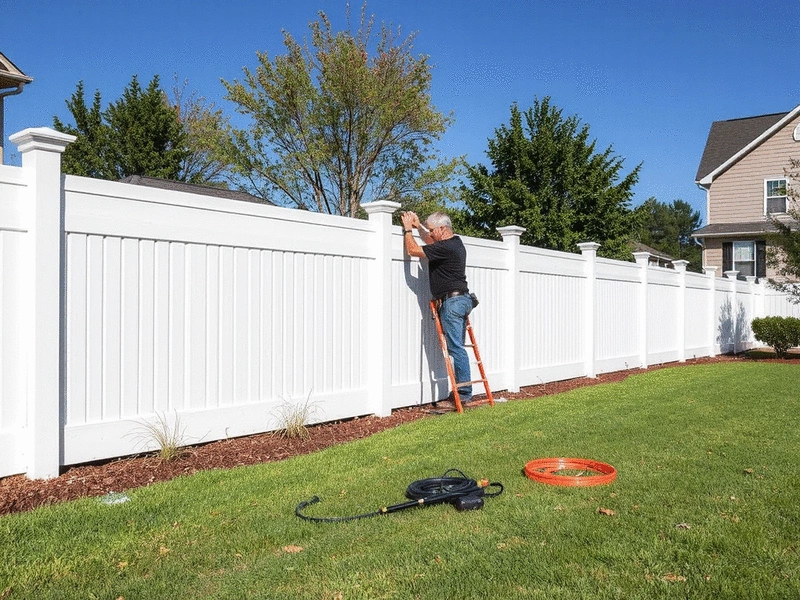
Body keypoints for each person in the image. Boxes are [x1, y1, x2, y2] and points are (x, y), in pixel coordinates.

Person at [400, 210, 474, 406]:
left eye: (432, 230)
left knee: (456, 349)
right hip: (461, 300)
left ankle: (463, 395)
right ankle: (464, 392)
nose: (430, 234)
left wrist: (408, 230)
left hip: (452, 303)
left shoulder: (446, 248)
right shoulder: (454, 243)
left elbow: (413, 251)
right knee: (457, 348)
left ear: (442, 229)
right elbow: (431, 240)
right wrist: (419, 226)